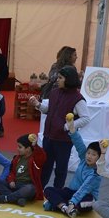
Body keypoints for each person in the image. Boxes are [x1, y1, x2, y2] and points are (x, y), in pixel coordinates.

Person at [39, 65, 86, 196]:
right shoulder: (54, 93)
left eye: (60, 78)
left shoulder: (78, 98)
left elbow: (86, 118)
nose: (57, 80)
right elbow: (49, 110)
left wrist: (67, 126)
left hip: (63, 140)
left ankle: (57, 192)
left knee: (61, 168)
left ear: (68, 79)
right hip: (49, 136)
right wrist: (38, 105)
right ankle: (39, 190)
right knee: (45, 166)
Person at [44, 127, 101, 217]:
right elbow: (79, 143)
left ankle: (58, 205)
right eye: (88, 153)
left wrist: (73, 202)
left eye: (94, 154)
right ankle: (65, 208)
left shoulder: (96, 173)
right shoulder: (84, 159)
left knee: (83, 202)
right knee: (48, 190)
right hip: (72, 192)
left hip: (87, 197)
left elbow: (84, 189)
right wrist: (72, 129)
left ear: (99, 158)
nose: (89, 156)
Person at [0, 134, 43, 206]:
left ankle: (4, 198)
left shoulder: (35, 160)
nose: (17, 149)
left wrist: (35, 146)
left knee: (30, 189)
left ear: (28, 149)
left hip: (26, 186)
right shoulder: (17, 158)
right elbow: (12, 172)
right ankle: (17, 199)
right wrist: (11, 180)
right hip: (15, 185)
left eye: (20, 147)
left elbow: (42, 156)